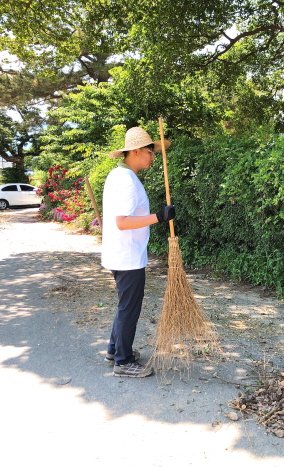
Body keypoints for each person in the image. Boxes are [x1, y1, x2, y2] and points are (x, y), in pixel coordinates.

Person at [102, 127, 175, 378]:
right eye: (150, 151)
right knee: (129, 308)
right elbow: (122, 222)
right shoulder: (126, 181)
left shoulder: (117, 175)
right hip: (128, 255)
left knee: (125, 305)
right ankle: (123, 361)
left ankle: (115, 350)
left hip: (121, 252)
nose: (153, 156)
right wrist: (159, 217)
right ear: (135, 151)